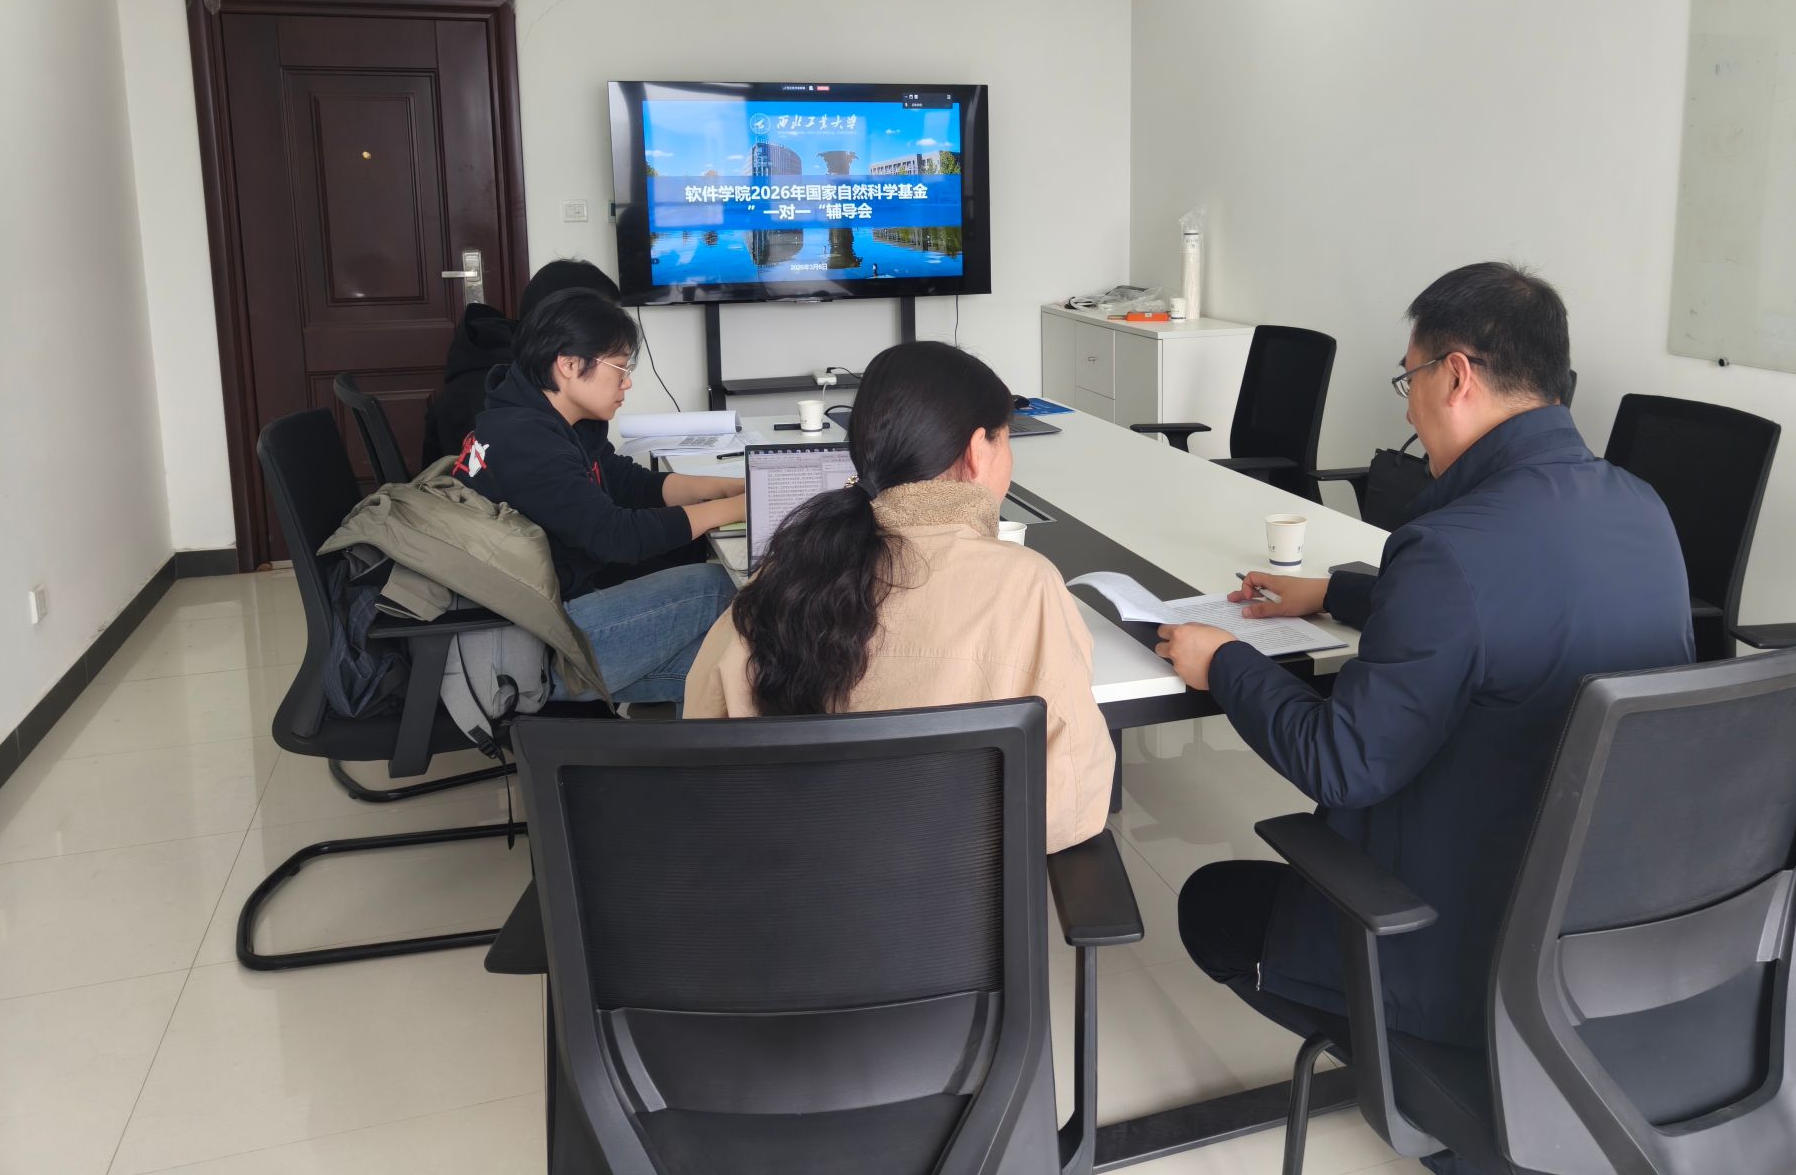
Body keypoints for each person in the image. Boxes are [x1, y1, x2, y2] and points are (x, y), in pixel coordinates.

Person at [1155, 262, 1693, 1174]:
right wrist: (1338, 592)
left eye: (1409, 380)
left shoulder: (1449, 548)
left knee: (1209, 906)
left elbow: (1343, 763)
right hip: (1614, 932)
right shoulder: (1641, 508)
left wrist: (1225, 661)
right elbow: (1520, 614)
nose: (1408, 406)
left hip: (1463, 944)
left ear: (1457, 375)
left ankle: (1424, 1072)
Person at [685, 340, 1115, 853]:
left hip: (781, 888)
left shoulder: (786, 572)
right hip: (953, 897)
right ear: (977, 451)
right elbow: (1070, 805)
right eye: (1006, 439)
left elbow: (701, 752)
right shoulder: (1026, 585)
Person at [455, 289, 743, 705]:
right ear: (569, 365)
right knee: (720, 587)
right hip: (535, 645)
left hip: (554, 611)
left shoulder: (552, 416)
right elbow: (616, 536)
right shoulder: (524, 439)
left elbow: (628, 483)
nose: (627, 382)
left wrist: (725, 488)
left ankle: (702, 748)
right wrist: (738, 508)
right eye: (620, 368)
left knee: (734, 665)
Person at [422, 258, 622, 465]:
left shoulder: (551, 381)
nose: (615, 335)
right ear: (563, 321)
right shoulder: (490, 396)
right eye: (604, 325)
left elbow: (601, 467)